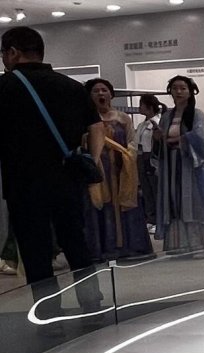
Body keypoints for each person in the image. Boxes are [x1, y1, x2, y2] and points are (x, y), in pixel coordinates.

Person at [0, 26, 104, 311]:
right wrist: (91, 162)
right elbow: (96, 126)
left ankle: (48, 314)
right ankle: (92, 304)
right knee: (76, 243)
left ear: (13, 52)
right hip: (67, 177)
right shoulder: (71, 86)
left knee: (36, 251)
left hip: (23, 182)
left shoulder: (4, 87)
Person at [82, 78, 154, 261]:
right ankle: (102, 248)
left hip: (122, 171)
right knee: (99, 205)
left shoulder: (123, 118)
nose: (101, 94)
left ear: (111, 94)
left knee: (123, 205)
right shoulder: (85, 119)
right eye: (96, 91)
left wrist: (126, 155)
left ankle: (130, 247)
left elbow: (132, 142)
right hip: (98, 171)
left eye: (104, 90)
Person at [155, 75, 204, 254]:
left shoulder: (197, 114)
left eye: (183, 88)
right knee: (174, 202)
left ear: (190, 92)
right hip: (171, 167)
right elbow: (161, 141)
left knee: (196, 202)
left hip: (191, 167)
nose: (179, 91)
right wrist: (159, 139)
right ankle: (178, 245)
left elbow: (202, 140)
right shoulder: (166, 116)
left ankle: (199, 245)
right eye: (175, 88)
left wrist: (179, 140)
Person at [133, 93, 164, 231]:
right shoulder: (142, 124)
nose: (139, 108)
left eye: (141, 105)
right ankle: (150, 217)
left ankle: (159, 219)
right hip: (140, 157)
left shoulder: (158, 122)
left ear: (149, 107)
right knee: (146, 189)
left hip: (151, 157)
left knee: (155, 188)